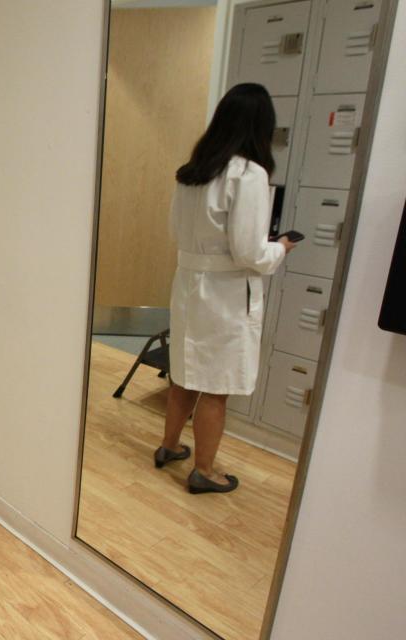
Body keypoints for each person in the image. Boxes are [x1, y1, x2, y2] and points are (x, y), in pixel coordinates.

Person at [155, 83, 297, 494]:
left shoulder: (191, 173)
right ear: (261, 126)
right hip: (226, 293)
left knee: (185, 372)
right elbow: (250, 250)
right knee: (217, 386)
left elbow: (173, 230)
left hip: (188, 286)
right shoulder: (249, 175)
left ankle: (168, 447)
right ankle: (204, 470)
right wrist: (280, 249)